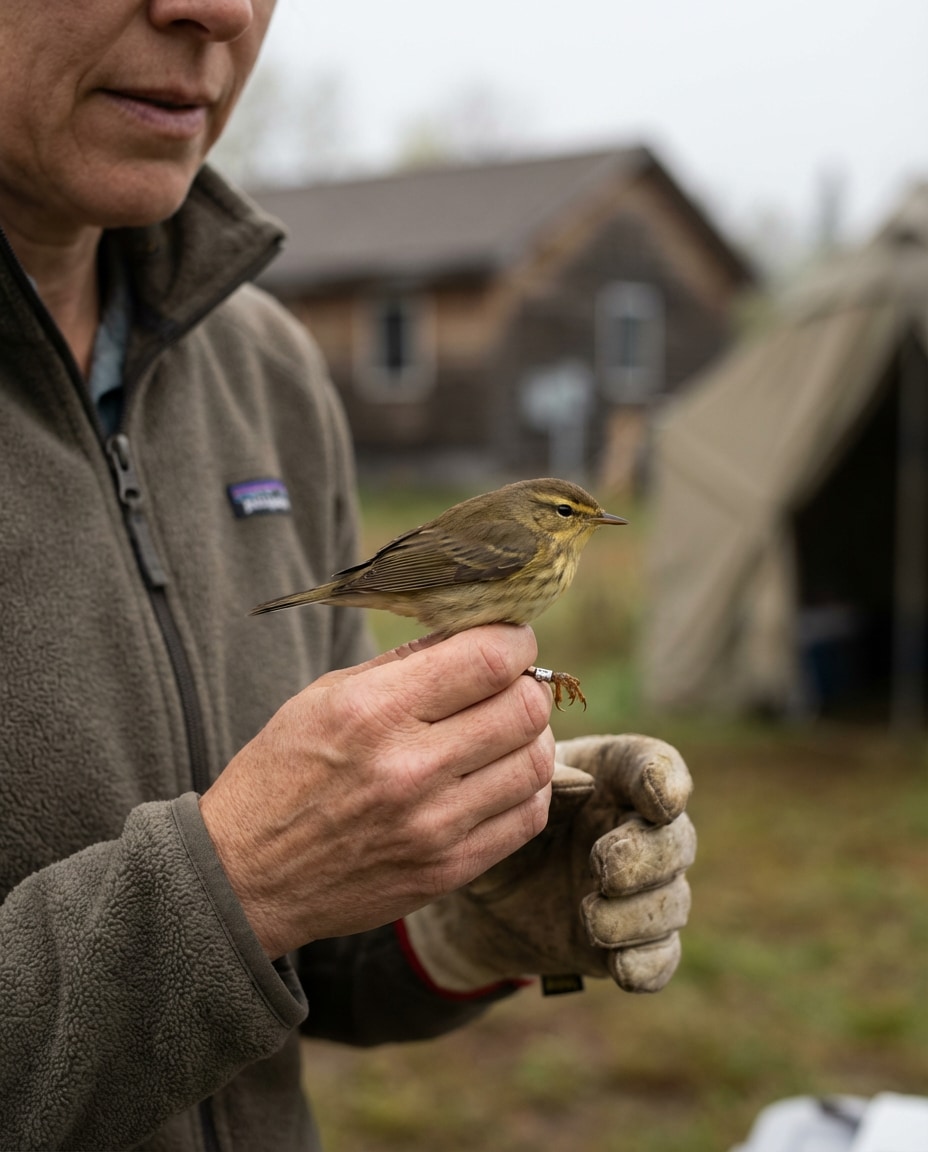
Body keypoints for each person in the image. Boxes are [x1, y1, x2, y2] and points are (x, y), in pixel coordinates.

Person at [0, 3, 696, 1150]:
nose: (217, 8)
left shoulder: (267, 368)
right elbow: (254, 895)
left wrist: (454, 914)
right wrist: (238, 882)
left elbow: (297, 961)